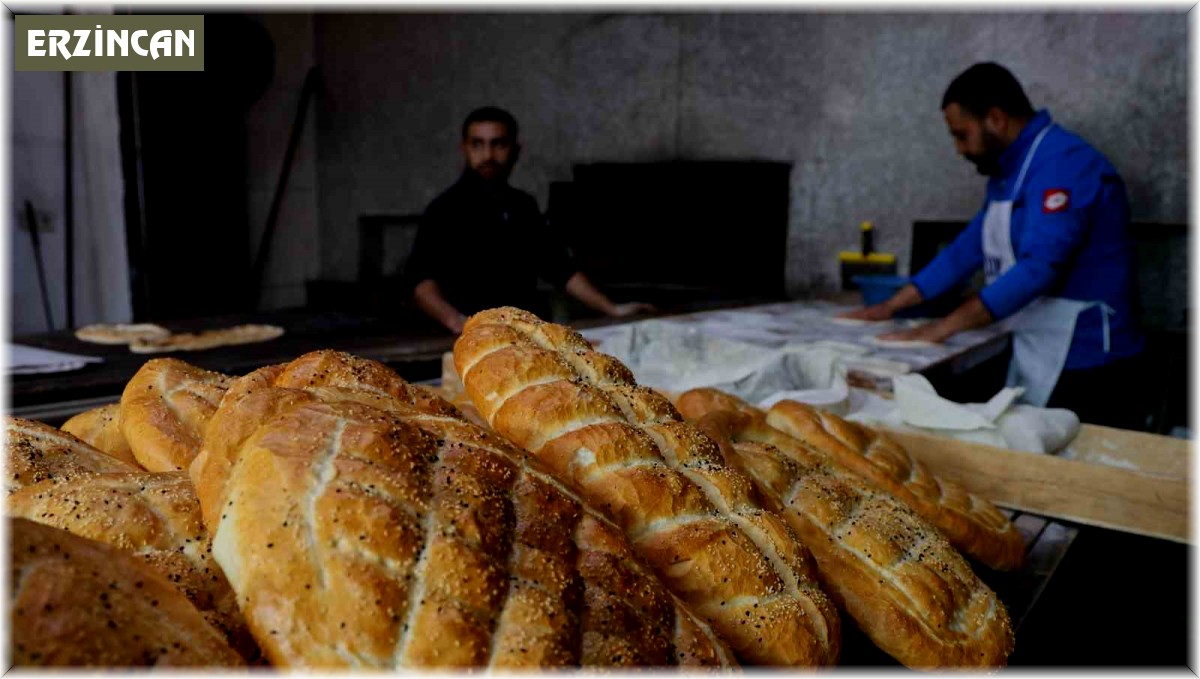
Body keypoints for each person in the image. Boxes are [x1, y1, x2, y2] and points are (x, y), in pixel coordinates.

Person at [841, 63, 1146, 429]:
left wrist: (942, 328)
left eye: (962, 135)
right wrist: (890, 306)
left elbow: (1039, 269)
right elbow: (967, 249)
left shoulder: (1064, 164)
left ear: (996, 119)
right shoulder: (1007, 172)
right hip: (1037, 344)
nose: (959, 149)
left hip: (1089, 361)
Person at [405, 106, 655, 334]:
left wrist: (611, 308)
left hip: (523, 339)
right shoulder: (444, 210)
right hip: (467, 341)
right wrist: (459, 324)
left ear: (515, 150)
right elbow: (421, 284)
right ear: (464, 148)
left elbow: (559, 267)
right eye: (478, 144)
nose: (488, 154)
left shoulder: (523, 206)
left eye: (498, 144)